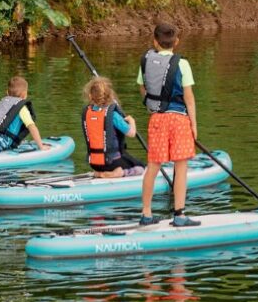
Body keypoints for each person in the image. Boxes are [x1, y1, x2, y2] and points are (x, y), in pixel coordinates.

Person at [138, 22, 198, 226]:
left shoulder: (146, 60)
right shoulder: (182, 64)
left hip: (157, 118)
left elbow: (142, 87)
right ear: (177, 42)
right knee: (181, 167)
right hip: (179, 119)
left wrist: (151, 106)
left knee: (153, 167)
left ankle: (146, 213)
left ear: (155, 41)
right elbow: (189, 97)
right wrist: (194, 125)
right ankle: (179, 215)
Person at [81, 76, 144, 178]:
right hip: (111, 162)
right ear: (111, 96)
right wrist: (132, 121)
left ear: (90, 96)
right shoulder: (113, 116)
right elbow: (132, 133)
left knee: (124, 159)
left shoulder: (88, 113)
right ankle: (119, 173)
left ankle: (99, 173)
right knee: (140, 166)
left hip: (94, 163)